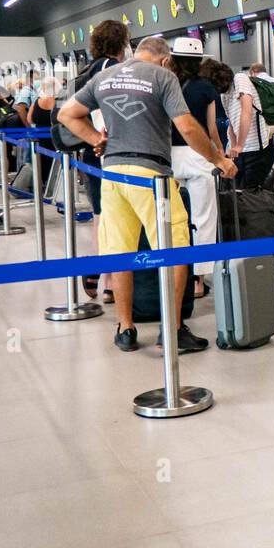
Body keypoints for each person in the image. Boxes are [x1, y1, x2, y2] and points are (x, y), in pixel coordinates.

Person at [57, 35, 237, 353]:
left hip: (112, 175)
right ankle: (172, 329)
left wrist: (95, 138)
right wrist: (219, 160)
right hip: (151, 178)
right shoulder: (162, 76)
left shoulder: (105, 76)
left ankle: (125, 328)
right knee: (175, 251)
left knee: (122, 253)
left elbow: (67, 114)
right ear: (166, 60)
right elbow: (188, 127)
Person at [77, 20, 129, 302]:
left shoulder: (86, 69)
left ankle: (105, 277)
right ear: (122, 43)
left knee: (101, 216)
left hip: (89, 151)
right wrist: (102, 139)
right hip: (106, 152)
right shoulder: (111, 69)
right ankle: (104, 277)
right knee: (110, 216)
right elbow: (111, 111)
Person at [169, 38, 225, 294]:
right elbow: (212, 128)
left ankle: (173, 272)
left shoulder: (166, 85)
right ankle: (198, 280)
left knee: (170, 218)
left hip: (169, 156)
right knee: (204, 218)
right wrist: (220, 156)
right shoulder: (206, 88)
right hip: (200, 155)